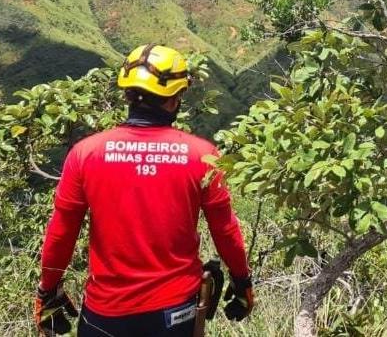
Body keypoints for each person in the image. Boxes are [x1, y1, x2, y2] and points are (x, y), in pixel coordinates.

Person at [34, 44, 254, 337]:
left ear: (127, 95)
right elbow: (225, 230)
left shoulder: (85, 153)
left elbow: (61, 234)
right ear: (175, 99)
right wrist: (242, 283)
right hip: (175, 312)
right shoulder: (202, 155)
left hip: (105, 315)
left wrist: (47, 293)